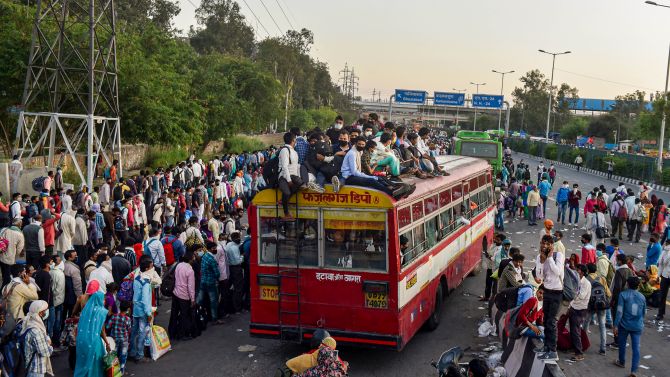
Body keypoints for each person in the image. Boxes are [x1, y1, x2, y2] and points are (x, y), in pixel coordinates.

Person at [535, 239, 564, 361]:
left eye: (548, 244)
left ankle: (553, 351)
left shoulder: (558, 255)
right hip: (547, 292)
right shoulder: (539, 257)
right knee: (545, 320)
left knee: (551, 322)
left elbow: (558, 272)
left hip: (556, 294)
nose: (545, 246)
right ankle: (546, 347)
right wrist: (541, 261)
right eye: (543, 243)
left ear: (552, 246)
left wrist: (550, 258)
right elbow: (539, 277)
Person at [613, 277, 645, 377]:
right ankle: (634, 371)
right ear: (638, 285)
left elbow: (619, 311)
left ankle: (621, 362)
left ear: (627, 284)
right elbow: (644, 313)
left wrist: (615, 325)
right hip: (637, 325)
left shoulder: (623, 295)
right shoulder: (642, 297)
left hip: (624, 325)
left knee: (622, 344)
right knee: (636, 348)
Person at [74, 291, 111, 377]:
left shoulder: (86, 310)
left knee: (84, 361)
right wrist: (107, 343)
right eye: (103, 300)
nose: (104, 301)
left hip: (82, 340)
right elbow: (102, 331)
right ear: (99, 300)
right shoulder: (101, 312)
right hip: (94, 340)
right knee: (95, 363)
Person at [130, 258, 153, 362]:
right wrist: (148, 313)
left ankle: (132, 352)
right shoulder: (146, 282)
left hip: (135, 309)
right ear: (147, 268)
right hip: (143, 310)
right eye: (151, 266)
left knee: (134, 332)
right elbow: (145, 299)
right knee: (142, 332)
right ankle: (139, 354)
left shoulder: (137, 278)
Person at [21, 300, 54, 377]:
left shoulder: (29, 322)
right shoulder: (36, 331)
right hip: (36, 369)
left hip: (31, 367)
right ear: (40, 313)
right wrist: (49, 344)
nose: (47, 312)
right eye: (45, 310)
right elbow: (45, 352)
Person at [169, 251, 197, 340]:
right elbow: (191, 286)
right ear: (190, 259)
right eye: (193, 256)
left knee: (174, 313)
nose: (194, 258)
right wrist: (192, 299)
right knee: (184, 315)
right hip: (184, 296)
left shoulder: (179, 265)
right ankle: (182, 334)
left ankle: (172, 332)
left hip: (175, 293)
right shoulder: (190, 270)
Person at [585, 263, 611, 355]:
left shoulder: (586, 279)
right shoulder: (602, 278)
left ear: (588, 270)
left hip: (591, 305)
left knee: (586, 323)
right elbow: (608, 293)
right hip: (602, 305)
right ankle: (603, 348)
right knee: (602, 326)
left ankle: (583, 344)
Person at [567, 264, 591, 361]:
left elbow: (581, 296)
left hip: (580, 309)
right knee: (573, 330)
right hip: (573, 307)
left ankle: (579, 353)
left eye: (578, 270)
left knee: (575, 331)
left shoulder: (586, 283)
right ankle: (576, 348)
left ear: (582, 272)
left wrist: (573, 294)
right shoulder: (576, 280)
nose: (576, 271)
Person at [200, 241, 223, 324]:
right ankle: (214, 319)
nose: (215, 249)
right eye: (214, 248)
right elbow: (217, 273)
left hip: (203, 281)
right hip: (211, 282)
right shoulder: (212, 259)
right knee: (213, 302)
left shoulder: (204, 256)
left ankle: (203, 316)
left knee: (203, 301)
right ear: (210, 249)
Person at [106, 300, 132, 373]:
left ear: (119, 308)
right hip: (124, 339)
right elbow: (129, 330)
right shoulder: (128, 319)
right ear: (128, 309)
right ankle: (122, 369)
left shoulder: (114, 316)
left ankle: (114, 369)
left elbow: (108, 326)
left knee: (115, 353)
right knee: (123, 354)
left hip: (114, 338)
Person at [0, 218, 24, 287]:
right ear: (20, 224)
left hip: (1, 256)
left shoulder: (5, 230)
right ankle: (3, 292)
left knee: (3, 274)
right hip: (10, 259)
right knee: (7, 278)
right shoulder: (20, 234)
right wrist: (15, 254)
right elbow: (19, 249)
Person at [656, 240, 670, 321]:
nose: (665, 245)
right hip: (665, 276)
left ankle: (660, 314)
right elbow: (660, 264)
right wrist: (658, 275)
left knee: (662, 296)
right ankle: (660, 313)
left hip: (665, 275)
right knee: (662, 296)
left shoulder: (665, 252)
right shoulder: (664, 251)